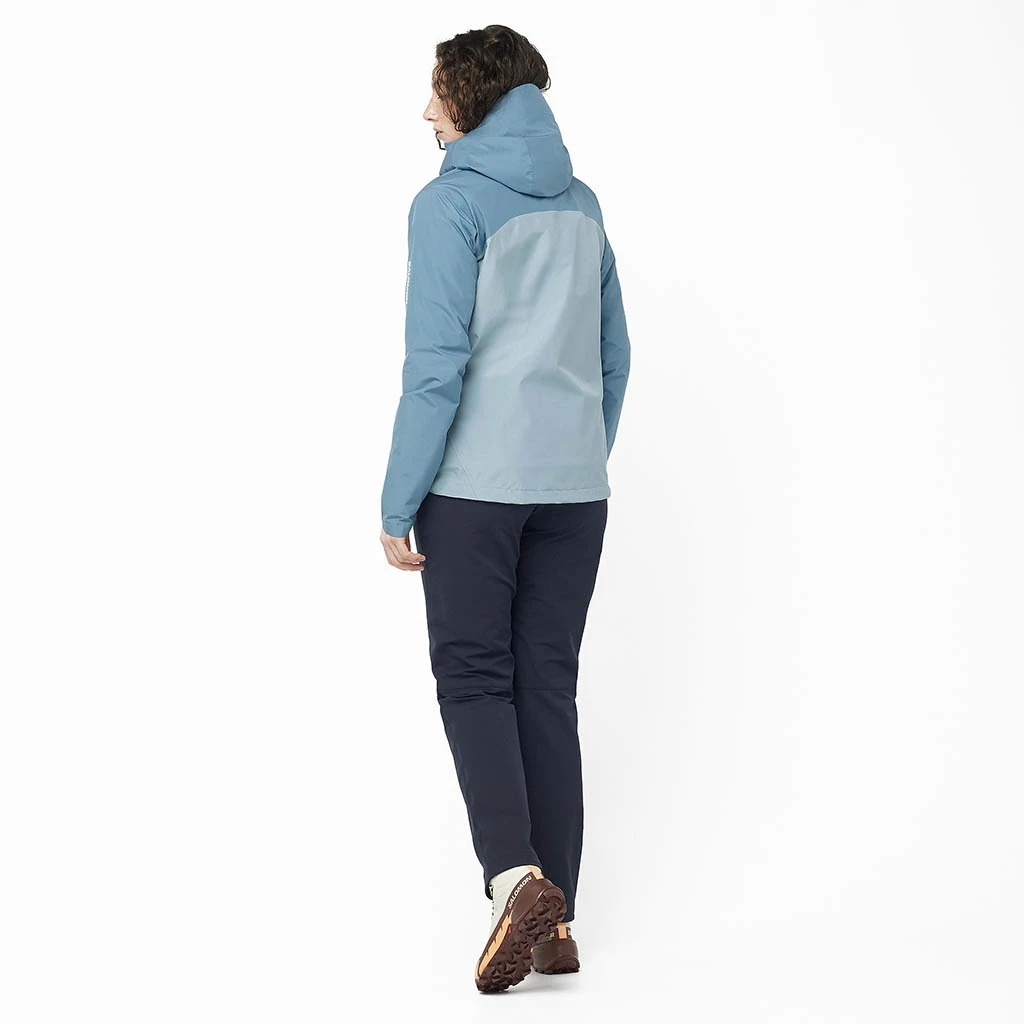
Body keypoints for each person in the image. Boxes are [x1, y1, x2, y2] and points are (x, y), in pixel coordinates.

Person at [378, 25, 631, 993]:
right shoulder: (584, 203)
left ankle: (516, 880)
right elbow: (614, 357)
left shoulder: (446, 204)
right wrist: (577, 456)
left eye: (437, 91)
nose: (426, 110)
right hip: (576, 493)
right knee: (547, 687)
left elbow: (434, 368)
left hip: (474, 494)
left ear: (472, 96)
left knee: (475, 681)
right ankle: (555, 919)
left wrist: (399, 499)